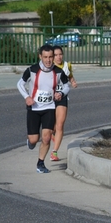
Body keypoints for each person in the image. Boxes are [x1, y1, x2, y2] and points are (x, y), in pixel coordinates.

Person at [17, 44, 70, 174]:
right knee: (34, 139)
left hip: (49, 108)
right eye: (45, 57)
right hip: (34, 108)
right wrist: (26, 97)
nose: (48, 60)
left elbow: (67, 85)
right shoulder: (32, 70)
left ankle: (40, 163)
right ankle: (31, 142)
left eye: (50, 57)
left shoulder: (58, 72)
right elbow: (20, 84)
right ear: (40, 56)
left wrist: (61, 93)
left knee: (46, 138)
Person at [51, 45, 78, 162]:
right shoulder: (48, 67)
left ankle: (54, 152)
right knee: (51, 126)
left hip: (62, 97)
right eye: (55, 55)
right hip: (49, 99)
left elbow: (70, 76)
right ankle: (51, 134)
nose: (58, 57)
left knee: (60, 124)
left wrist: (73, 82)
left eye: (60, 54)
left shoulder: (67, 65)